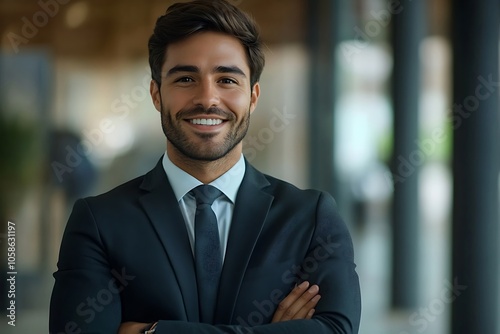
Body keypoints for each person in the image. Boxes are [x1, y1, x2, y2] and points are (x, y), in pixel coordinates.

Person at [49, 1, 361, 333]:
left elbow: (336, 330)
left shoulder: (311, 217)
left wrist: (153, 332)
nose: (207, 98)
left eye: (227, 80)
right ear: (156, 94)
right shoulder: (99, 222)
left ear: (253, 96)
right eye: (185, 78)